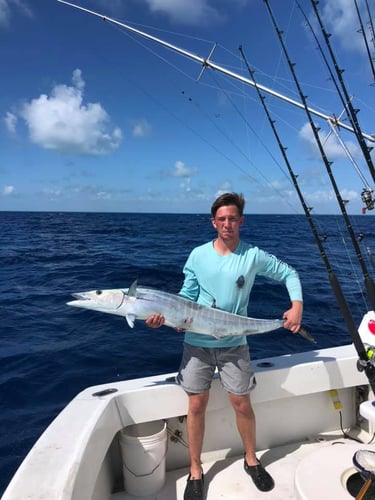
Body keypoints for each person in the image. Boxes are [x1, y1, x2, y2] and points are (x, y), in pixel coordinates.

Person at [146, 192, 303, 500]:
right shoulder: (198, 255)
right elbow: (186, 296)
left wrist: (296, 306)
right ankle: (195, 470)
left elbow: (289, 273)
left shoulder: (253, 255)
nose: (227, 224)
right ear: (213, 222)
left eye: (233, 219)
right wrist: (165, 318)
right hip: (196, 343)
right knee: (195, 406)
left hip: (235, 343)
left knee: (242, 403)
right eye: (222, 219)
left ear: (241, 221)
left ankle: (251, 459)